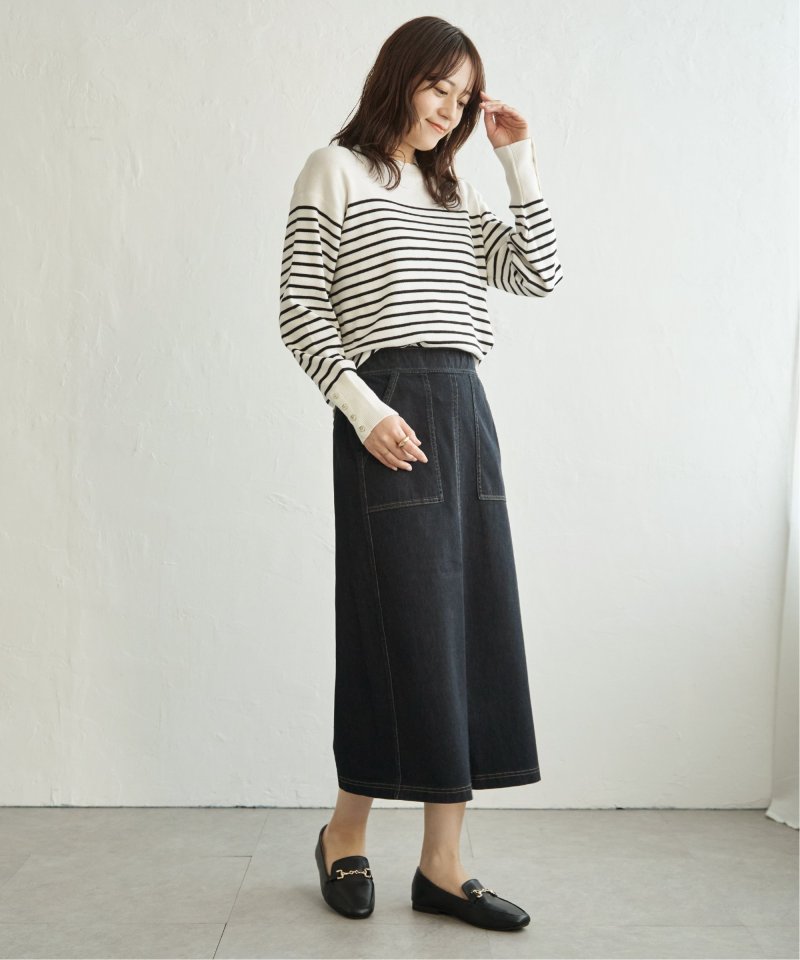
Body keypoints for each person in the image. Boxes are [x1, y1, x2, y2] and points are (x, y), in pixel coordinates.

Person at [279, 14, 563, 932]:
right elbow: (300, 309)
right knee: (391, 630)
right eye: (440, 87)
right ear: (398, 76)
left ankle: (443, 864)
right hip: (387, 409)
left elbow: (539, 275)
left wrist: (517, 161)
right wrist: (364, 411)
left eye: (464, 97)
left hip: (465, 408)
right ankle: (345, 831)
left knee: (468, 629)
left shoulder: (455, 192)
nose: (450, 110)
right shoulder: (335, 169)